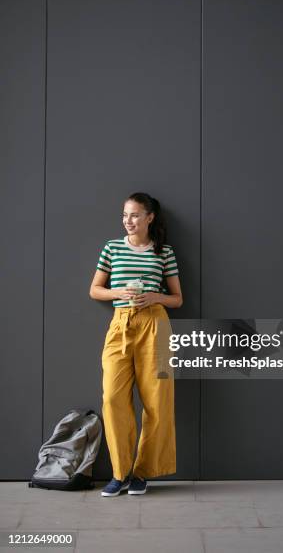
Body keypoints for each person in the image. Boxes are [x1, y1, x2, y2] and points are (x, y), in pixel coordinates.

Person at [89, 192, 183, 497]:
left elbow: (177, 299)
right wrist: (120, 292)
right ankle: (120, 473)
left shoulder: (163, 252)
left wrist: (155, 297)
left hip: (155, 323)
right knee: (113, 398)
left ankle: (142, 473)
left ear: (149, 217)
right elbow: (95, 290)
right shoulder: (112, 248)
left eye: (134, 215)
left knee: (157, 401)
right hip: (120, 324)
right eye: (124, 215)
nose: (128, 221)